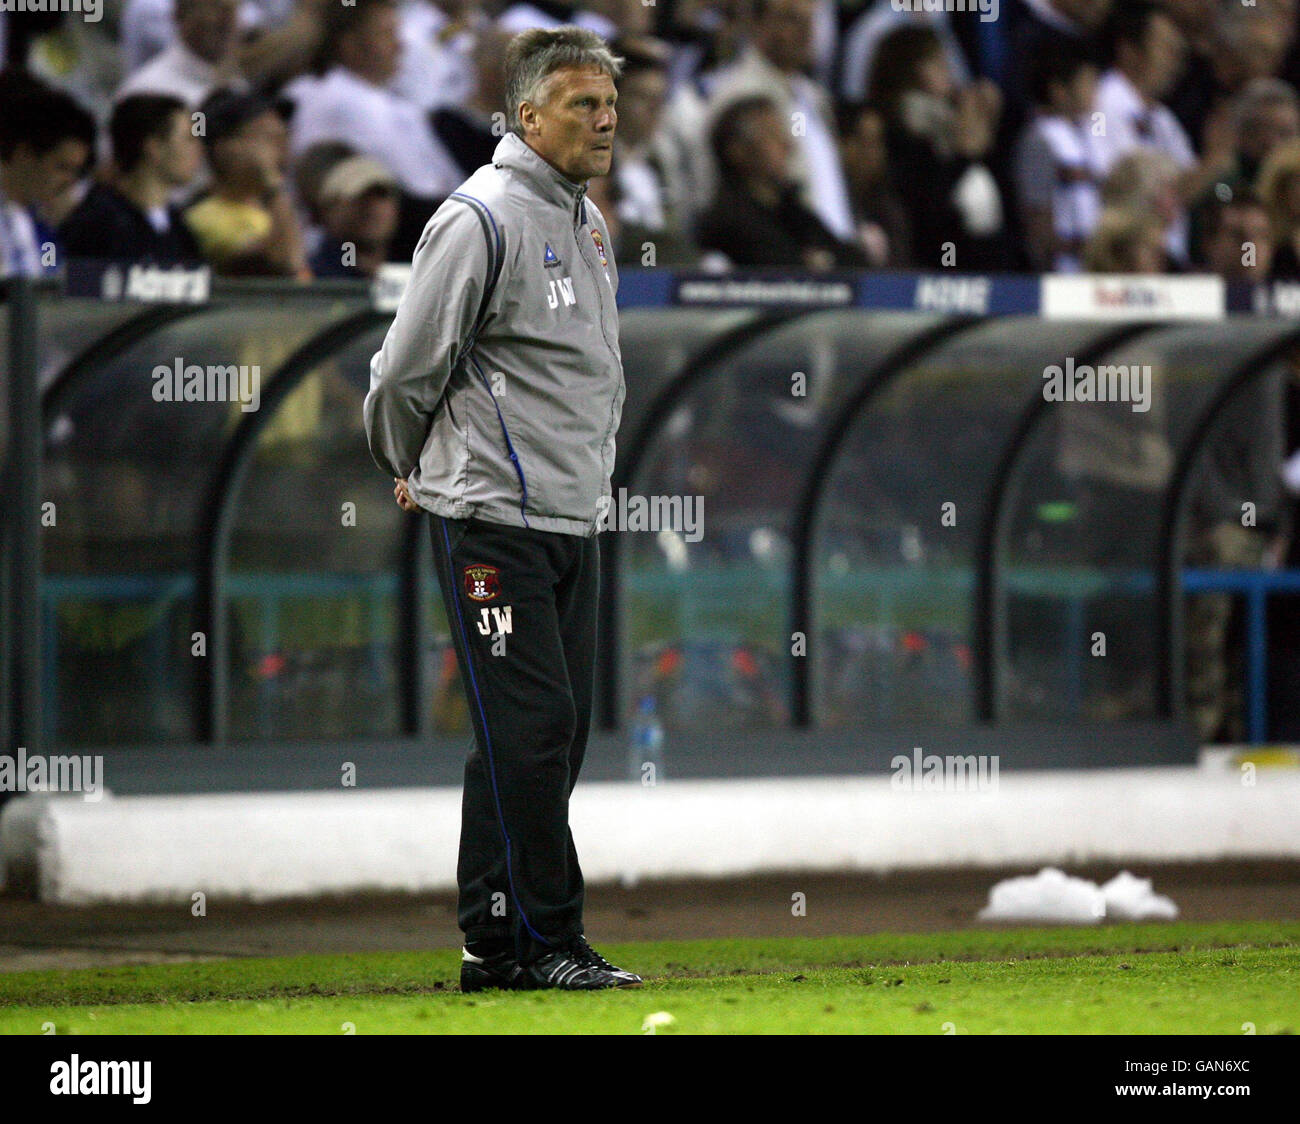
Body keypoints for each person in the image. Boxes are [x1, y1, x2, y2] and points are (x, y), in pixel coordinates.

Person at [363, 25, 641, 992]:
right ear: (527, 115)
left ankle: (498, 944)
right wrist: (412, 463)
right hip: (492, 518)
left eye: (610, 105)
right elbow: (405, 367)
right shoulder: (479, 217)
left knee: (542, 733)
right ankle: (549, 941)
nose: (604, 121)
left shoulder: (587, 219)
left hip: (571, 518)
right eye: (582, 105)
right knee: (531, 730)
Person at [696, 94, 868, 270]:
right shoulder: (729, 221)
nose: (787, 146)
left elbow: (855, 261)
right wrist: (812, 264)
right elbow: (785, 271)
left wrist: (824, 262)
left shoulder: (790, 209)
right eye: (772, 136)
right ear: (737, 151)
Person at [60, 94, 203, 264]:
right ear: (153, 147)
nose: (199, 148)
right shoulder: (99, 225)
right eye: (189, 139)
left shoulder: (178, 226)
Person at [0, 74, 95, 277]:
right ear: (24, 155)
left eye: (76, 171)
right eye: (62, 167)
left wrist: (59, 231)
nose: (70, 181)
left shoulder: (42, 226)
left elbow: (49, 279)